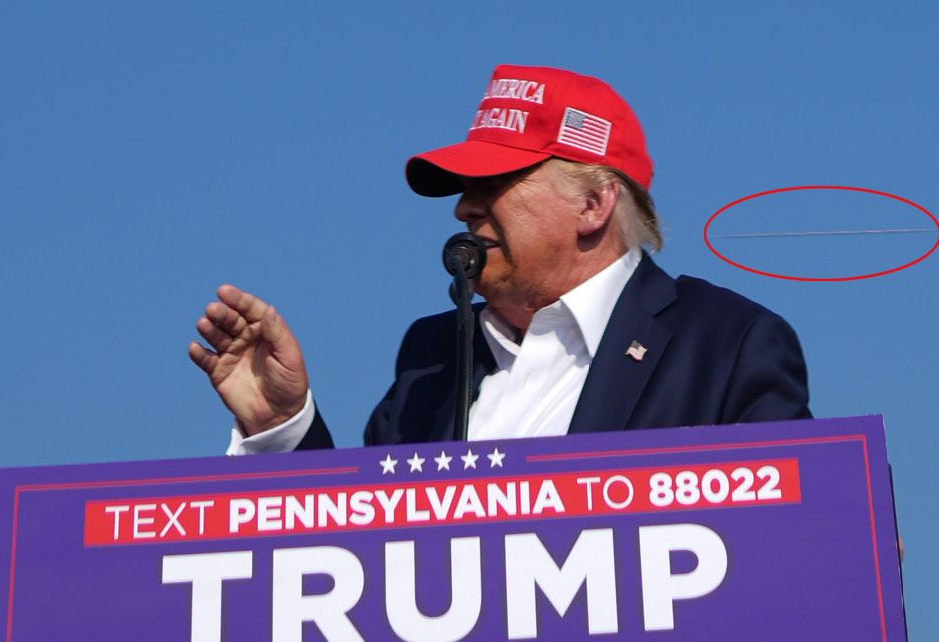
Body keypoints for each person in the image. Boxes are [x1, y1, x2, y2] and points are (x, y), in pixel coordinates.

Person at [193, 65, 809, 451]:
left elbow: (795, 536)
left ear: (593, 204)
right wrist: (281, 426)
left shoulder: (726, 343)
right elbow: (362, 558)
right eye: (464, 188)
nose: (464, 208)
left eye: (494, 183)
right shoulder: (431, 356)